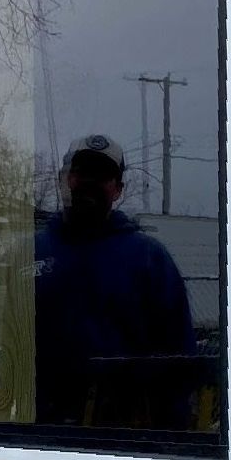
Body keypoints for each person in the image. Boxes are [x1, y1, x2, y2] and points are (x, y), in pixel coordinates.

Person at [33, 134, 198, 428]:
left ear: (118, 189)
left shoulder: (150, 259)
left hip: (124, 442)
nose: (90, 183)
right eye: (82, 173)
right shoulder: (30, 254)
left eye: (102, 176)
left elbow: (179, 362)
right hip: (37, 436)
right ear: (66, 179)